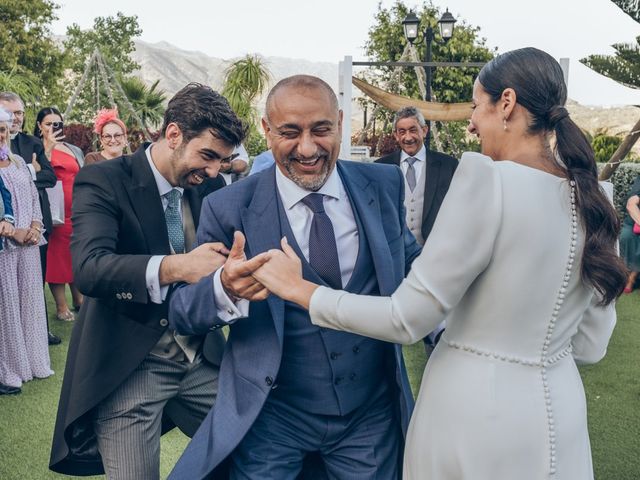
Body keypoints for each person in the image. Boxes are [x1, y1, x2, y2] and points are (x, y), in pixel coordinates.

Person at [251, 48, 627, 480]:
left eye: (474, 106)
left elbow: (405, 319)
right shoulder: (596, 198)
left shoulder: (487, 180)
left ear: (506, 104)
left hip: (472, 413)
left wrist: (302, 290)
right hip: (561, 414)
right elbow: (591, 346)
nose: (470, 123)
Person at [168, 75, 421, 480]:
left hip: (368, 418)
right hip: (273, 419)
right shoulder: (228, 206)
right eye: (290, 132)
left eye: (321, 129)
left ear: (339, 122)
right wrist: (225, 289)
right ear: (267, 131)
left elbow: (416, 270)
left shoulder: (382, 185)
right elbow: (183, 310)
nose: (307, 148)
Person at [49, 83, 246, 479]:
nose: (212, 171)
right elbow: (90, 269)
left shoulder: (207, 185)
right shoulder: (104, 180)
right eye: (207, 156)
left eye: (221, 162)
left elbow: (215, 268)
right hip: (129, 368)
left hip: (201, 360)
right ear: (173, 134)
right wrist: (177, 267)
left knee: (263, 447)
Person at [376, 106, 458, 348]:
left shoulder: (448, 165)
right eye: (401, 131)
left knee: (438, 326)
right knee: (391, 328)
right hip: (394, 261)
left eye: (413, 130)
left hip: (435, 259)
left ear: (425, 130)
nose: (408, 136)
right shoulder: (380, 167)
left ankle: (440, 370)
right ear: (395, 135)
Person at [0, 92, 61, 345]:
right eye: (10, 112)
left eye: (19, 113)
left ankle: (39, 332)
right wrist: (26, 169)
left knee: (35, 284)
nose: (16, 118)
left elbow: (49, 177)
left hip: (36, 222)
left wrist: (27, 173)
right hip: (8, 227)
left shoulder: (31, 144)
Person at [0, 107, 53, 396]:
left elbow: (33, 196)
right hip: (5, 247)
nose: (0, 135)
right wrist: (14, 232)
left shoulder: (19, 161)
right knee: (6, 308)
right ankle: (9, 369)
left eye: (3, 130)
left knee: (30, 303)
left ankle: (32, 363)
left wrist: (34, 226)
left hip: (30, 244)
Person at [33, 107, 85, 321]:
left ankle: (78, 298)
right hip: (55, 211)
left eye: (57, 123)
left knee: (75, 254)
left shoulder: (72, 148)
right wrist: (48, 148)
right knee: (58, 256)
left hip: (77, 209)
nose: (53, 128)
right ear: (39, 126)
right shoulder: (36, 147)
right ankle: (61, 306)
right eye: (48, 124)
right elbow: (37, 173)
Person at [620, 174, 640, 293]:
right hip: (634, 222)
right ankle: (625, 275)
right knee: (626, 237)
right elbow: (631, 205)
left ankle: (631, 279)